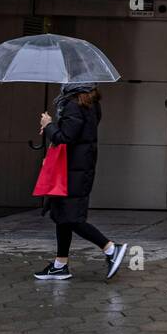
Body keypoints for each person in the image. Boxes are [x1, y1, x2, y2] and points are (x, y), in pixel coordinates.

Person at [33, 82, 130, 282]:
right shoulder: (89, 102)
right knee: (61, 215)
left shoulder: (72, 104)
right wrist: (54, 128)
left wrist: (48, 125)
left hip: (72, 170)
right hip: (76, 167)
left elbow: (66, 137)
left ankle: (111, 249)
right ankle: (60, 266)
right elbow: (76, 132)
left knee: (72, 217)